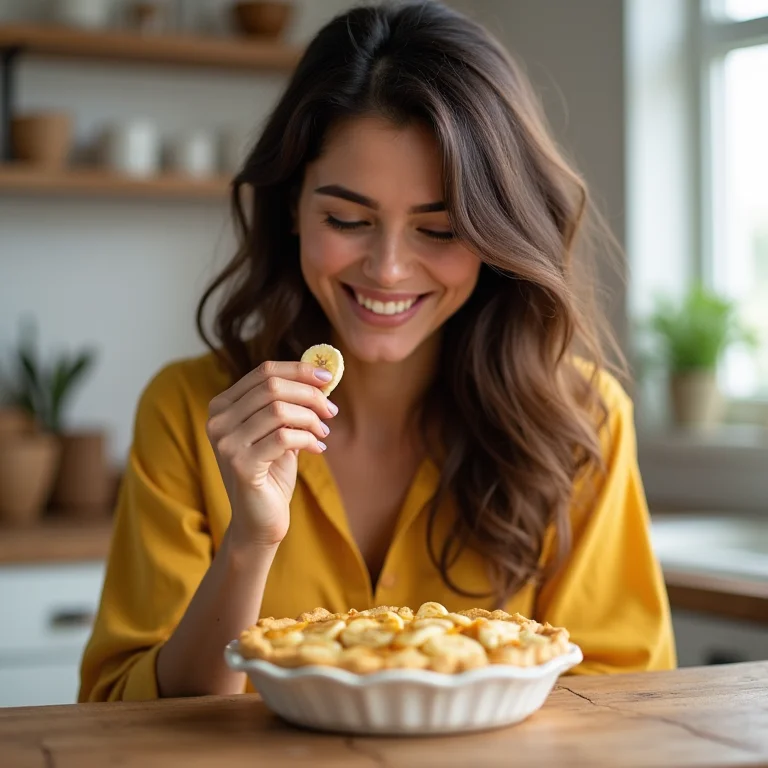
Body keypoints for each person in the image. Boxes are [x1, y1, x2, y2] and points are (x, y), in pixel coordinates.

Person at [79, 0, 675, 702]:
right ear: (291, 207)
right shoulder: (187, 412)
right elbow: (124, 713)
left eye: (441, 230)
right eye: (347, 219)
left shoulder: (582, 420)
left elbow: (628, 702)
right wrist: (250, 544)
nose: (388, 270)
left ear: (498, 236)